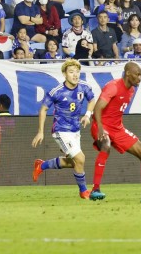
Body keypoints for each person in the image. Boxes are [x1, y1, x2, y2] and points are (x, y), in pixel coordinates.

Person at [89, 61, 141, 203]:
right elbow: (97, 108)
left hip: (117, 129)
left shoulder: (131, 90)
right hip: (100, 125)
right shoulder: (113, 87)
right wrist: (99, 128)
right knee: (106, 145)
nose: (139, 78)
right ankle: (95, 190)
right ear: (128, 73)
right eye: (137, 74)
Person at [31, 58, 96, 199]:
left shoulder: (84, 87)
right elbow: (43, 110)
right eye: (71, 72)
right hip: (60, 130)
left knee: (74, 162)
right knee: (81, 158)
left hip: (75, 130)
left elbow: (92, 100)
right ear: (64, 74)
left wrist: (88, 115)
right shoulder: (57, 92)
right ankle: (83, 191)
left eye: (77, 72)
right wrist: (40, 132)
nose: (75, 75)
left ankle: (41, 165)